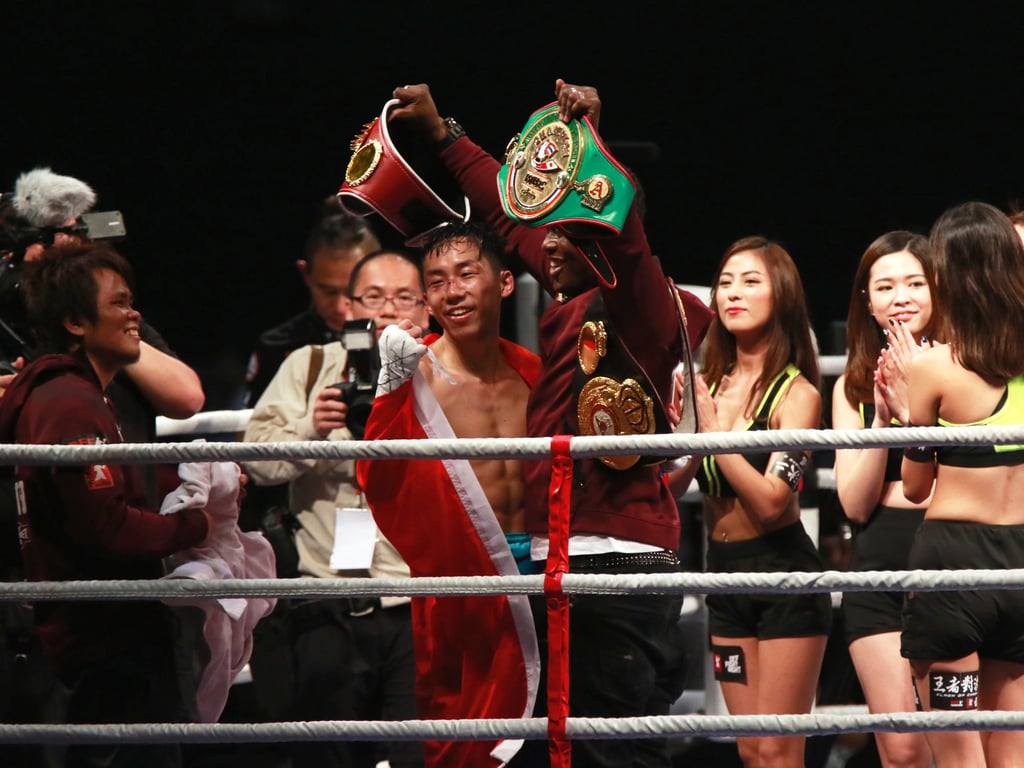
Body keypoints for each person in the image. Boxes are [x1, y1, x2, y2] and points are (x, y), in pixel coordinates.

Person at [383, 80, 712, 768]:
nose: (544, 245)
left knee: (609, 755)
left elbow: (615, 236)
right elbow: (510, 221)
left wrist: (585, 143)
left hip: (615, 563)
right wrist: (444, 134)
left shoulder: (642, 303)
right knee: (565, 751)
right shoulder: (576, 293)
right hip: (570, 557)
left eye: (564, 230)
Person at [0, 240, 221, 768]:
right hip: (102, 639)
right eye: (119, 304)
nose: (134, 314)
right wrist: (194, 527)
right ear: (76, 322)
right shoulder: (68, 402)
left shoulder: (77, 394)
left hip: (98, 630)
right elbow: (106, 527)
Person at [357, 221, 542, 768]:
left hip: (540, 577)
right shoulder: (416, 378)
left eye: (466, 274)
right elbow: (379, 481)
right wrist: (389, 384)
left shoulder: (536, 374)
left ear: (505, 283)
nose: (452, 291)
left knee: (548, 734)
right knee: (460, 739)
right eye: (436, 281)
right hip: (458, 585)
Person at [242, 247, 429, 768]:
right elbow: (258, 463)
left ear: (427, 309)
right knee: (327, 756)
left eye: (404, 298)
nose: (389, 310)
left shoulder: (444, 376)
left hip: (416, 605)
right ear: (348, 308)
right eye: (373, 297)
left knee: (413, 757)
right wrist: (312, 430)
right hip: (327, 600)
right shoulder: (309, 366)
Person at [669, 236, 830, 768]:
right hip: (725, 576)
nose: (732, 292)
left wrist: (714, 434)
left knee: (779, 752)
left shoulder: (797, 393)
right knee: (749, 751)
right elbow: (674, 489)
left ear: (780, 295)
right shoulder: (709, 383)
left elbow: (770, 502)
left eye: (751, 281)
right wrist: (678, 437)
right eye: (726, 281)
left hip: (783, 578)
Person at [899, 201, 1024, 767]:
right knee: (1012, 755)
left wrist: (901, 415)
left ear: (944, 275)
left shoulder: (931, 367)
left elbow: (914, 486)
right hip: (1019, 563)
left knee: (957, 760)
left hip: (952, 564)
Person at [832, 231, 938, 768]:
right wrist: (880, 418)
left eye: (915, 282)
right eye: (886, 286)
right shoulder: (851, 384)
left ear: (939, 287)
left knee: (956, 743)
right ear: (868, 303)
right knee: (901, 751)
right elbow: (853, 503)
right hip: (877, 571)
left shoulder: (966, 367)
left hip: (950, 560)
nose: (901, 297)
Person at [244, 196, 383, 407]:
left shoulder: (405, 343)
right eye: (328, 291)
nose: (340, 307)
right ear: (305, 274)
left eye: (352, 290)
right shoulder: (277, 346)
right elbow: (252, 432)